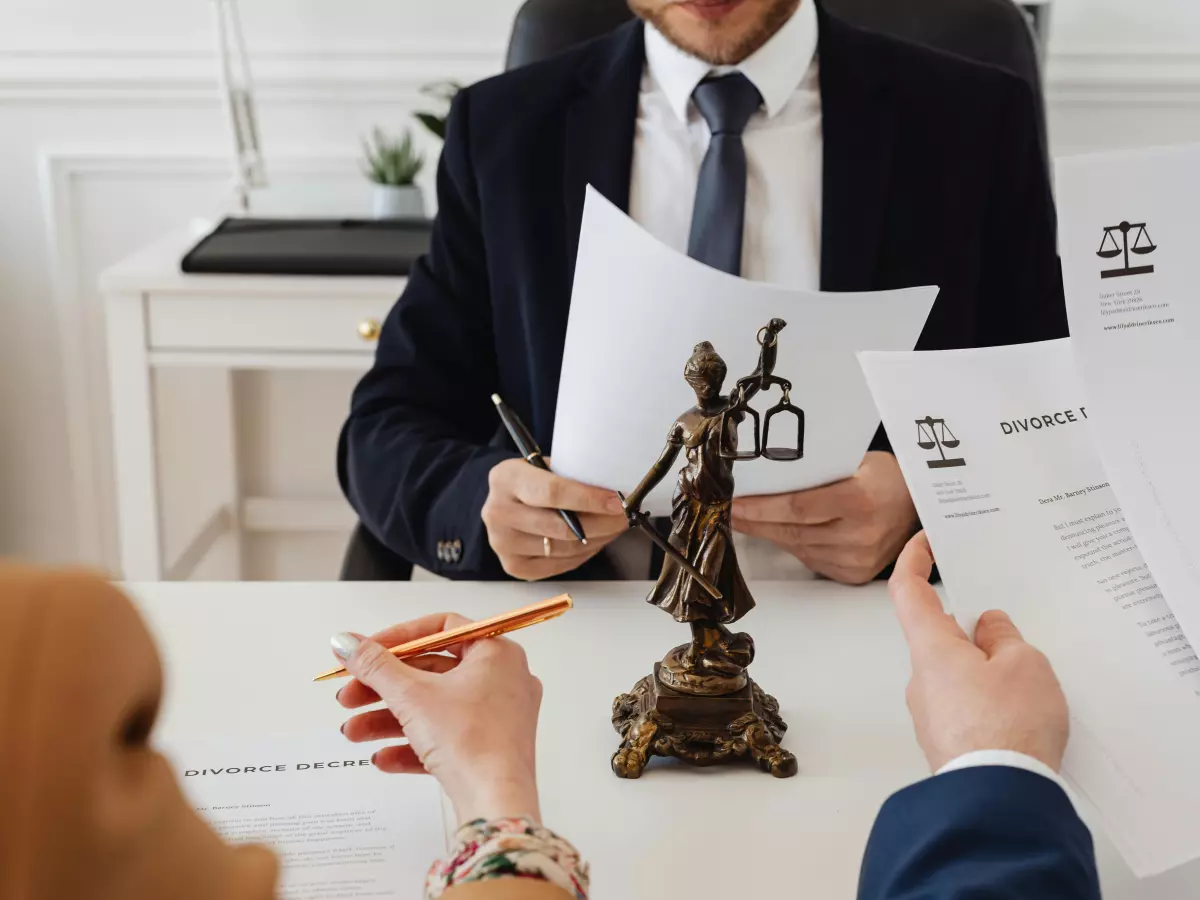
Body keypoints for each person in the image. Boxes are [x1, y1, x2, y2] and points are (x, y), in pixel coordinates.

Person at [339, 0, 1066, 586]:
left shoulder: (973, 125)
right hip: (586, 631)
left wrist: (930, 501)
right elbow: (384, 430)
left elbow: (1057, 409)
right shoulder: (502, 131)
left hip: (885, 634)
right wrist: (484, 503)